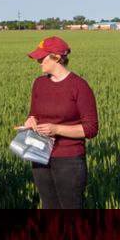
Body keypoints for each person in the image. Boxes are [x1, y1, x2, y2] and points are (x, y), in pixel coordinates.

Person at [21, 37, 98, 209]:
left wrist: (56, 129)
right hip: (40, 155)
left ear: (56, 57)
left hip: (69, 159)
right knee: (50, 210)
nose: (38, 61)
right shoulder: (39, 84)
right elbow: (33, 114)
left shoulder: (79, 86)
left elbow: (91, 129)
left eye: (42, 57)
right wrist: (30, 120)